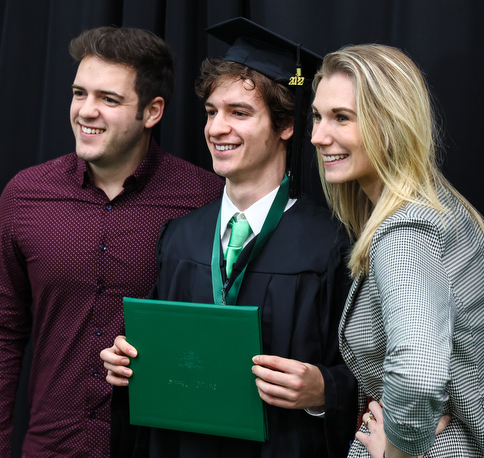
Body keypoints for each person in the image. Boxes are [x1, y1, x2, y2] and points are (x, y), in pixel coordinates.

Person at [101, 18, 358, 458]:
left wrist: (324, 390)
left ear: (285, 125)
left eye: (239, 113)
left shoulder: (332, 244)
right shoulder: (180, 238)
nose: (217, 128)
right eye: (211, 112)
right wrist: (127, 359)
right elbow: (159, 356)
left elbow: (375, 377)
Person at [0, 26, 224, 457]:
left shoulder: (205, 200)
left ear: (152, 111)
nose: (86, 111)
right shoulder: (26, 195)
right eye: (79, 93)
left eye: (108, 99)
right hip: (52, 448)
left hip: (159, 446)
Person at [310, 44, 484, 457]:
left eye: (342, 118)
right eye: (317, 116)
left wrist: (400, 449)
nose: (319, 136)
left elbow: (420, 373)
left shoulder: (406, 231)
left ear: (390, 124)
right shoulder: (439, 205)